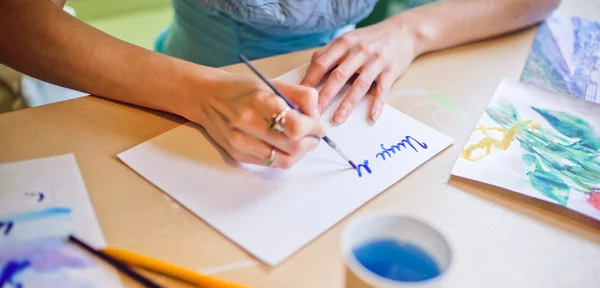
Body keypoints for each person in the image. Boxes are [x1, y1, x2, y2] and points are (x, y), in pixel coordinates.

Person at [0, 0, 560, 169]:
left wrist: (411, 30)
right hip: (171, 106)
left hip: (359, 95)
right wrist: (199, 93)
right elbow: (15, 22)